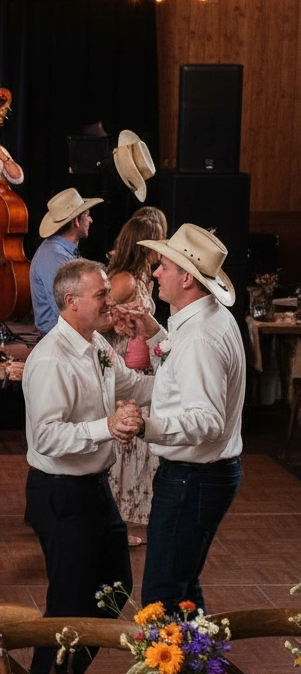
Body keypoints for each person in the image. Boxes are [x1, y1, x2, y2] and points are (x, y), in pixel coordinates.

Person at [22, 258, 157, 674]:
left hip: (94, 488)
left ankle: (68, 673)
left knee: (115, 589)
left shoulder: (96, 344)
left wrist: (174, 370)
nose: (110, 301)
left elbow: (135, 385)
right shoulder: (51, 359)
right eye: (101, 294)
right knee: (68, 603)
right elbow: (46, 437)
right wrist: (107, 427)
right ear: (71, 301)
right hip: (60, 492)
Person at [136, 224, 246, 615]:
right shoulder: (206, 320)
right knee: (182, 589)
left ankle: (172, 658)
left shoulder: (200, 336)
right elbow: (181, 373)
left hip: (193, 479)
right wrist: (153, 334)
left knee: (161, 597)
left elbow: (207, 420)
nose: (155, 273)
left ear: (186, 278)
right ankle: (203, 655)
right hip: (201, 477)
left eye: (163, 266)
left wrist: (146, 426)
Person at [102, 207, 168, 547]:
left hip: (140, 365)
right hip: (124, 366)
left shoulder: (143, 278)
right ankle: (111, 525)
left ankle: (119, 522)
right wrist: (116, 322)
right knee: (123, 448)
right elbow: (96, 318)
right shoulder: (124, 279)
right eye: (159, 240)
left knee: (137, 451)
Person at [29, 188, 104, 335]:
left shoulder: (60, 252)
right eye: (87, 215)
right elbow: (66, 311)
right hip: (61, 338)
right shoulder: (55, 256)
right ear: (76, 221)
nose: (90, 220)